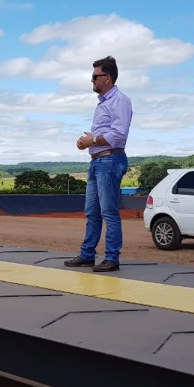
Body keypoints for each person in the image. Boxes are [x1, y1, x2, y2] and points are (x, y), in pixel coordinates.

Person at [64, 55, 132, 272]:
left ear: (108, 78)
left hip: (110, 160)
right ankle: (87, 255)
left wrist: (92, 140)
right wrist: (87, 142)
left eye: (95, 76)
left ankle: (112, 258)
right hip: (98, 162)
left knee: (109, 212)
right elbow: (106, 133)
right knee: (92, 211)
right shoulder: (104, 103)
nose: (92, 80)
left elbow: (119, 135)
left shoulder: (119, 101)